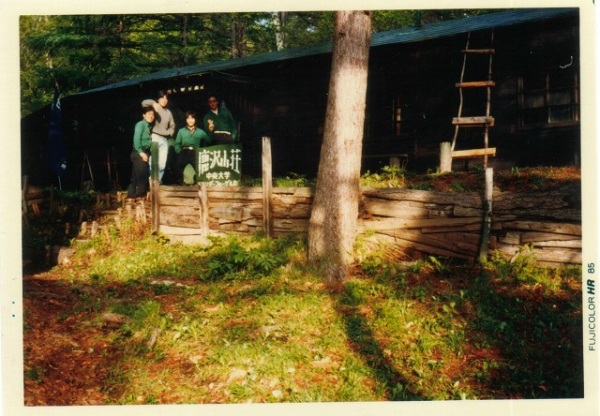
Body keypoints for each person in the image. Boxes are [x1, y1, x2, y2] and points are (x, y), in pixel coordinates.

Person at [142, 90, 175, 182]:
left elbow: (172, 126)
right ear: (158, 99)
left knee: (162, 164)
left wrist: (169, 132)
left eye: (166, 98)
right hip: (155, 137)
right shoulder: (154, 108)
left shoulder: (168, 112)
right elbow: (143, 103)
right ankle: (150, 183)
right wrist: (153, 103)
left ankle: (157, 183)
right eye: (162, 98)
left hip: (164, 140)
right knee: (152, 163)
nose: (164, 100)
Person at [174, 110, 211, 184]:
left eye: (192, 118)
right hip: (184, 151)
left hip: (195, 152)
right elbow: (177, 144)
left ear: (195, 120)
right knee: (178, 166)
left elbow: (209, 140)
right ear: (186, 120)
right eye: (188, 118)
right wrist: (179, 152)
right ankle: (180, 184)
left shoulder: (200, 132)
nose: (190, 120)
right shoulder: (181, 131)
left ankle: (198, 184)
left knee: (199, 168)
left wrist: (210, 130)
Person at [127, 106, 154, 199]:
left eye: (152, 115)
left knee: (134, 177)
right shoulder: (140, 124)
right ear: (143, 115)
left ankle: (131, 196)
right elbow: (136, 139)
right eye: (149, 114)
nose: (151, 116)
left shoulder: (149, 126)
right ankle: (140, 197)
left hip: (144, 151)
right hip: (139, 151)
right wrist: (141, 152)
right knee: (143, 176)